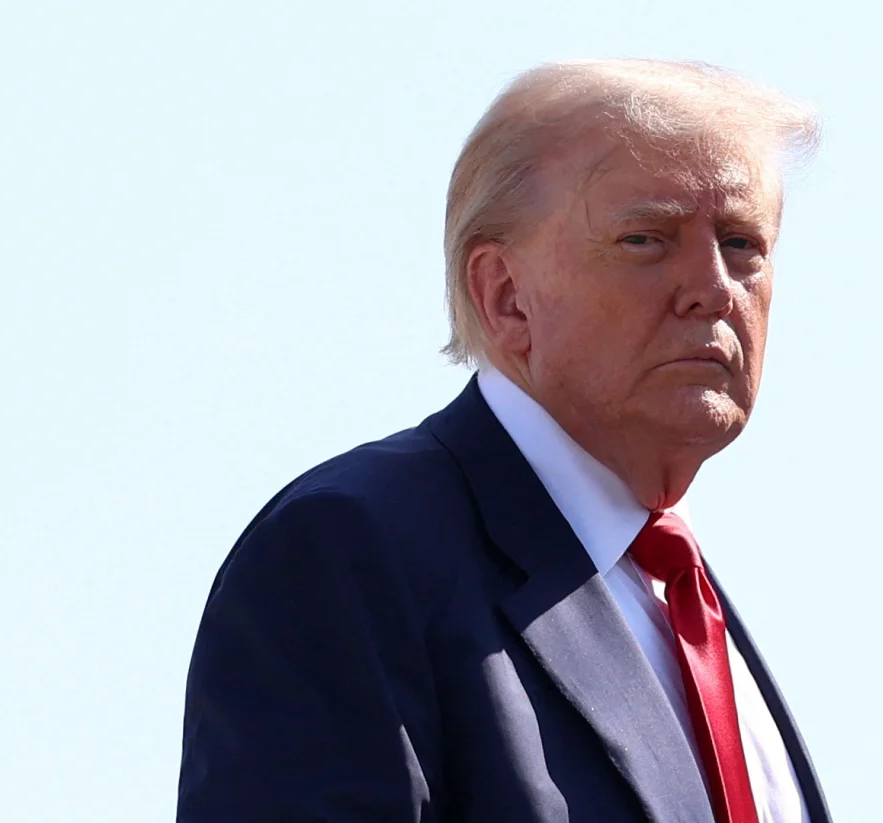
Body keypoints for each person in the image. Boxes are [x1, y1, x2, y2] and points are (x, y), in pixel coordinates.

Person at [177, 58, 831, 823]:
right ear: (504, 295)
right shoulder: (352, 549)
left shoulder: (682, 601)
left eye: (743, 243)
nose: (714, 287)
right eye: (646, 238)